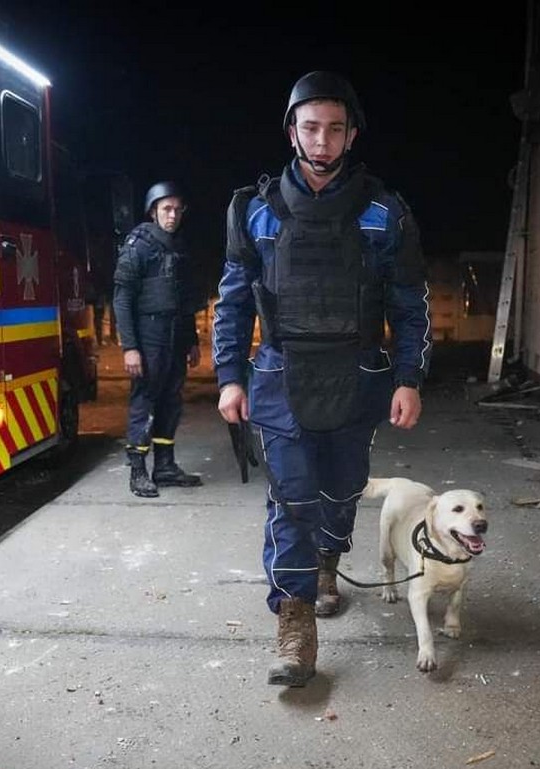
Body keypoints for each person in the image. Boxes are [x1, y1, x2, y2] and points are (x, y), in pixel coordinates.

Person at [213, 71, 431, 687]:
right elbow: (231, 302)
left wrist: (409, 378)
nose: (323, 140)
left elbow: (410, 305)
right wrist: (230, 376)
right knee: (291, 497)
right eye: (311, 127)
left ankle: (329, 562)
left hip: (359, 373)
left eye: (336, 128)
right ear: (291, 131)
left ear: (351, 133)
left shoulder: (384, 212)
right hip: (280, 374)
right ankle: (295, 622)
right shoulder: (254, 212)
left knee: (341, 491)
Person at [113, 181, 205, 498]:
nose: (173, 215)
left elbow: (184, 300)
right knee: (145, 401)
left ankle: (164, 466)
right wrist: (130, 348)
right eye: (166, 208)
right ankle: (138, 470)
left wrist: (192, 340)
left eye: (178, 209)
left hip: (175, 337)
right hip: (148, 336)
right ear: (153, 211)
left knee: (170, 401)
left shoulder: (178, 247)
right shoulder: (138, 246)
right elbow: (122, 300)